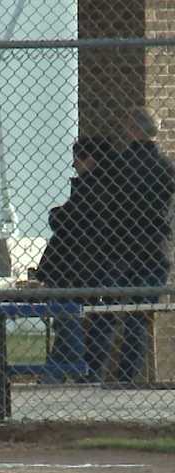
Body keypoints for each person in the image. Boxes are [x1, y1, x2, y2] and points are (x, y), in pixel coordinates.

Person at [90, 106, 175, 385]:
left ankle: (94, 373)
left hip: (119, 249)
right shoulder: (166, 168)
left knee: (107, 313)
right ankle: (125, 377)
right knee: (140, 315)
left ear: (132, 129)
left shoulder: (116, 166)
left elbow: (102, 209)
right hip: (154, 248)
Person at [36, 136, 113, 383]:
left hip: (73, 268)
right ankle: (53, 377)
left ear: (89, 159)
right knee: (69, 325)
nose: (74, 166)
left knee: (69, 325)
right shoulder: (107, 186)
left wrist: (55, 214)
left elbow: (67, 221)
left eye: (77, 160)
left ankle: (79, 374)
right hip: (84, 268)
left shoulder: (92, 188)